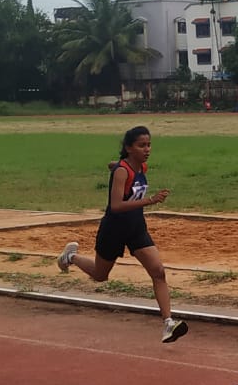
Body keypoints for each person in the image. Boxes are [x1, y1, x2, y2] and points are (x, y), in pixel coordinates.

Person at [56, 125, 187, 343]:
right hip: (114, 230)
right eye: (141, 145)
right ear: (129, 148)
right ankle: (71, 257)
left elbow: (116, 166)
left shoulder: (139, 168)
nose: (147, 149)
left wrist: (114, 165)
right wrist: (150, 200)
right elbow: (116, 206)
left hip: (136, 228)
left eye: (149, 144)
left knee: (158, 271)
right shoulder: (123, 171)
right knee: (100, 275)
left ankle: (168, 323)